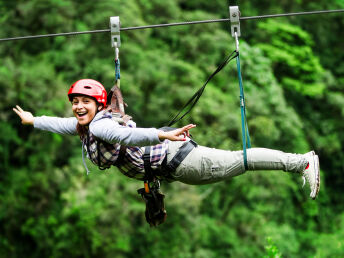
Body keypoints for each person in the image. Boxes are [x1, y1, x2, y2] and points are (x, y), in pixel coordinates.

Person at [13, 79, 320, 200]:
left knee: (241, 161)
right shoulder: (87, 124)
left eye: (84, 102)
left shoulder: (100, 127)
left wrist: (160, 133)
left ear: (98, 105)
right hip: (176, 162)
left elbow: (126, 135)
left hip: (183, 163)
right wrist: (32, 120)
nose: (78, 107)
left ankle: (302, 162)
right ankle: (300, 162)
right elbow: (61, 124)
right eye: (75, 101)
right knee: (240, 160)